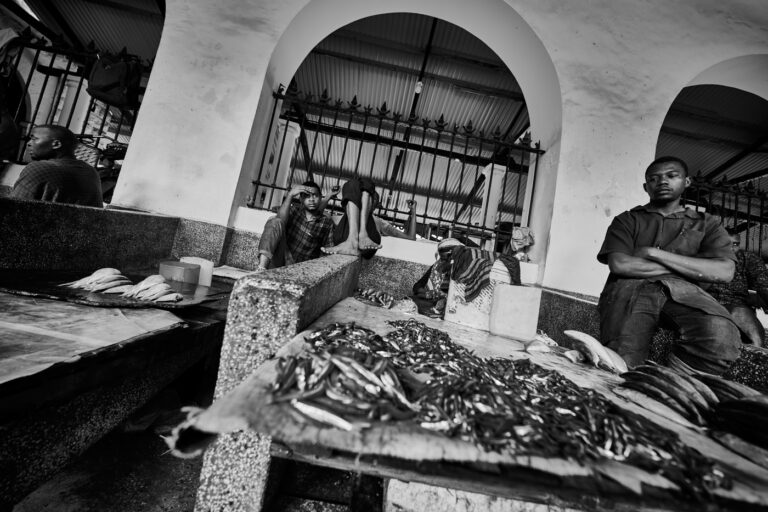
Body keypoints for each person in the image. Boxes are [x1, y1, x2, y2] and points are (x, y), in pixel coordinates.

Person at [597, 156, 741, 375]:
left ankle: (673, 389)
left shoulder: (707, 223)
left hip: (686, 294)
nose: (662, 182)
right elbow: (621, 265)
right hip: (630, 290)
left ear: (687, 182)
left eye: (672, 176)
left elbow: (724, 271)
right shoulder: (627, 220)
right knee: (621, 361)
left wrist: (652, 253)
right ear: (646, 187)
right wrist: (694, 268)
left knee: (719, 334)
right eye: (654, 179)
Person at [11, 124, 102, 207]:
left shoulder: (38, 168)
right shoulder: (91, 172)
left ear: (56, 144)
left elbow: (13, 207)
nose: (29, 143)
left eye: (34, 139)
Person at [708, 230, 768, 347]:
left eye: (735, 244)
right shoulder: (705, 257)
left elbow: (764, 285)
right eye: (725, 243)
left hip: (737, 306)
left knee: (755, 340)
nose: (731, 248)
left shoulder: (748, 258)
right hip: (706, 303)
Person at [256, 181, 335, 270]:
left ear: (321, 198)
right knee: (274, 221)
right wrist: (290, 195)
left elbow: (328, 250)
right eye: (307, 196)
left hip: (301, 269)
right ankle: (261, 269)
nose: (311, 199)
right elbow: (279, 221)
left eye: (315, 195)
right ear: (301, 199)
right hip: (280, 260)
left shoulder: (326, 223)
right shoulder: (294, 211)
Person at [323, 177, 383, 258]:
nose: (373, 202)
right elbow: (319, 214)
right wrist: (328, 196)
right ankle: (352, 240)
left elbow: (398, 233)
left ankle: (362, 235)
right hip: (344, 240)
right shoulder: (340, 218)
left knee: (365, 182)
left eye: (373, 199)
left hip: (369, 242)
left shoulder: (379, 221)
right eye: (359, 197)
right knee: (352, 184)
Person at [412, 238, 464, 317]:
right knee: (411, 300)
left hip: (447, 305)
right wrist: (425, 293)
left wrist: (438, 297)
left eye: (444, 259)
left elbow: (457, 296)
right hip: (431, 300)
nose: (442, 261)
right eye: (441, 258)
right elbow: (417, 285)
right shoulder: (438, 265)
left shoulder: (461, 269)